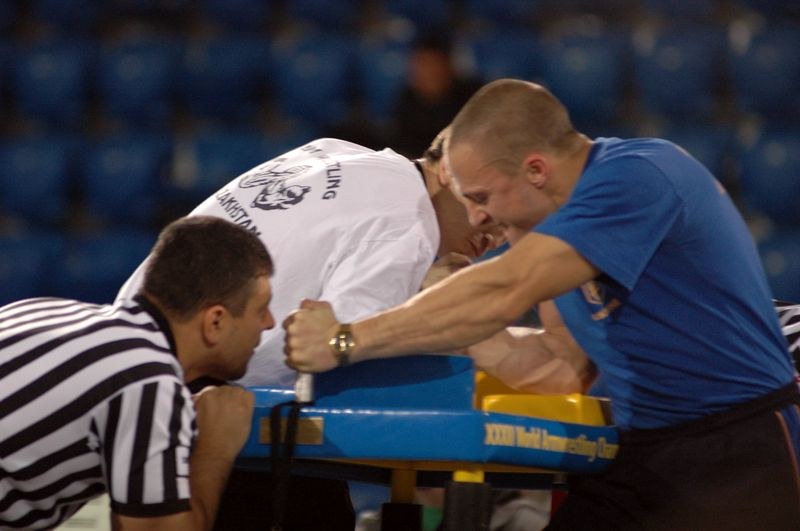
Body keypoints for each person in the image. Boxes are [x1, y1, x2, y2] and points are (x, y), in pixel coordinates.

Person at [284, 79, 800, 529]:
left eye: (483, 197)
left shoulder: (639, 176)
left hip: (736, 449)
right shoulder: (555, 233)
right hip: (644, 452)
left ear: (535, 170)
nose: (478, 220)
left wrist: (345, 340)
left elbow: (506, 287)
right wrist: (466, 329)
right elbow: (562, 371)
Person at [116, 133, 502, 530]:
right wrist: (443, 320)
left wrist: (412, 293)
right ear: (451, 168)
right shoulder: (409, 223)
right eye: (493, 201)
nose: (501, 232)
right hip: (198, 397)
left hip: (135, 349)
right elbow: (336, 357)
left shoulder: (340, 152)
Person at [0, 216, 274, 530]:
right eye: (260, 309)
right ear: (215, 322)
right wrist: (216, 447)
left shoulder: (39, 309)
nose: (270, 323)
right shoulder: (145, 381)